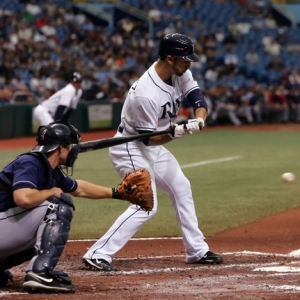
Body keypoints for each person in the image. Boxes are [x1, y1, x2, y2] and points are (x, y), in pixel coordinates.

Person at [82, 33, 223, 272]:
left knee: (181, 187)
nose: (189, 64)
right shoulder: (146, 93)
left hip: (154, 144)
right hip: (130, 146)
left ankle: (197, 250)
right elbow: (148, 139)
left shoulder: (180, 72)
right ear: (169, 58)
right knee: (146, 204)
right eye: (184, 59)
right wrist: (177, 132)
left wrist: (198, 120)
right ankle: (98, 253)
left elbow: (197, 99)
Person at [0, 121, 140, 293]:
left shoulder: (49, 170)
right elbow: (23, 198)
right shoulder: (31, 162)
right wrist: (51, 191)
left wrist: (117, 193)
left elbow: (79, 188)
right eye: (71, 146)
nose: (74, 150)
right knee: (57, 205)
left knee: (43, 234)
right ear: (61, 148)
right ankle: (40, 273)